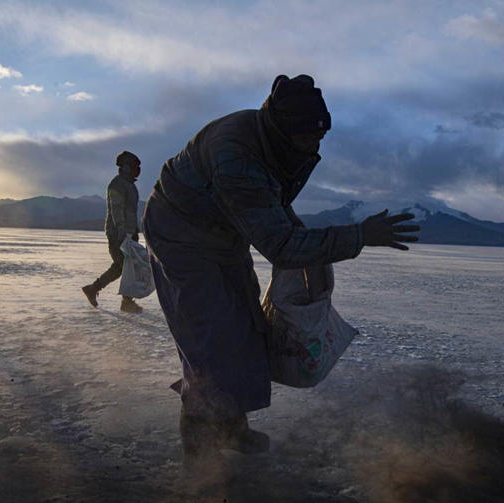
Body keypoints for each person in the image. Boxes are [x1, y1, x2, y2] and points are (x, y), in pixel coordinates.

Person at [143, 74, 419, 460]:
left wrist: (314, 243)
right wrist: (358, 235)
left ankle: (233, 429)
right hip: (180, 232)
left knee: (244, 322)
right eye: (307, 138)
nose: (314, 145)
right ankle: (200, 453)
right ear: (281, 127)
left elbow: (273, 202)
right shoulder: (236, 155)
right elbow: (281, 246)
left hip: (223, 230)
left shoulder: (282, 142)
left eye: (320, 137)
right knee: (209, 332)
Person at [82, 151, 144, 313]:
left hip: (130, 232)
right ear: (125, 168)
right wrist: (122, 231)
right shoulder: (117, 185)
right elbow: (116, 209)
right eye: (134, 167)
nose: (137, 170)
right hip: (118, 233)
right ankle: (126, 302)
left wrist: (134, 230)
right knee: (124, 266)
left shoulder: (130, 185)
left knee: (124, 266)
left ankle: (94, 289)